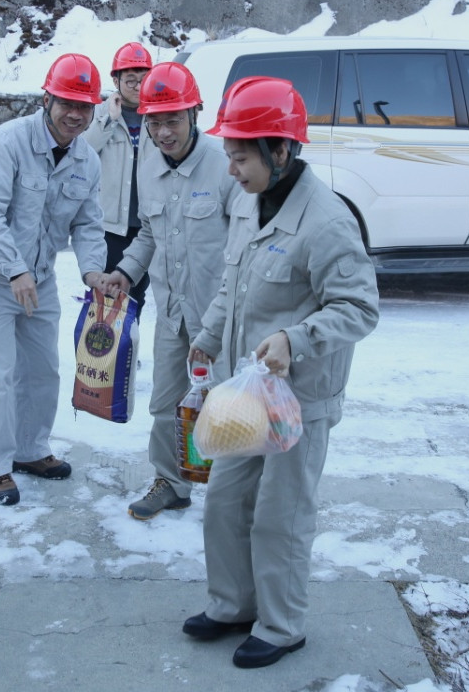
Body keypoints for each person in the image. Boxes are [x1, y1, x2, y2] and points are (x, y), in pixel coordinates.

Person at [184, 76, 379, 670]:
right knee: (224, 502)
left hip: (300, 399)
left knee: (280, 516)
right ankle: (233, 605)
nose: (231, 169)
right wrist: (208, 335)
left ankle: (281, 625)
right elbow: (233, 282)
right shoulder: (248, 201)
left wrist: (297, 339)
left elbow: (359, 308)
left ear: (282, 151)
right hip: (246, 392)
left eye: (241, 157)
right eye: (229, 155)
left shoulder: (327, 221)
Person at [0, 53, 108, 506]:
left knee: (43, 369)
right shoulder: (7, 143)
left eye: (84, 107)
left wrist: (93, 271)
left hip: (38, 278)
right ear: (47, 100)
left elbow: (88, 224)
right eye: (67, 104)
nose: (75, 115)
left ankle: (30, 449)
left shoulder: (87, 160)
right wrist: (14, 269)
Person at [100, 62, 236, 520]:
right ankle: (171, 483)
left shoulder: (224, 166)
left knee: (226, 406)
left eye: (173, 120)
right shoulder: (149, 164)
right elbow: (148, 233)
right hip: (172, 312)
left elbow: (244, 247)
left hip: (219, 318)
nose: (162, 132)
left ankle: (230, 492)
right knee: (165, 404)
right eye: (154, 122)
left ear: (195, 113)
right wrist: (125, 272)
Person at [85, 42, 153, 320]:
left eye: (143, 79)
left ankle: (129, 344)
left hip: (146, 224)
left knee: (137, 295)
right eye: (130, 80)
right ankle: (99, 346)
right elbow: (84, 153)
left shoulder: (157, 114)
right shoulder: (101, 112)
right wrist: (109, 120)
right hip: (111, 227)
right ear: (116, 81)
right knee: (106, 296)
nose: (138, 87)